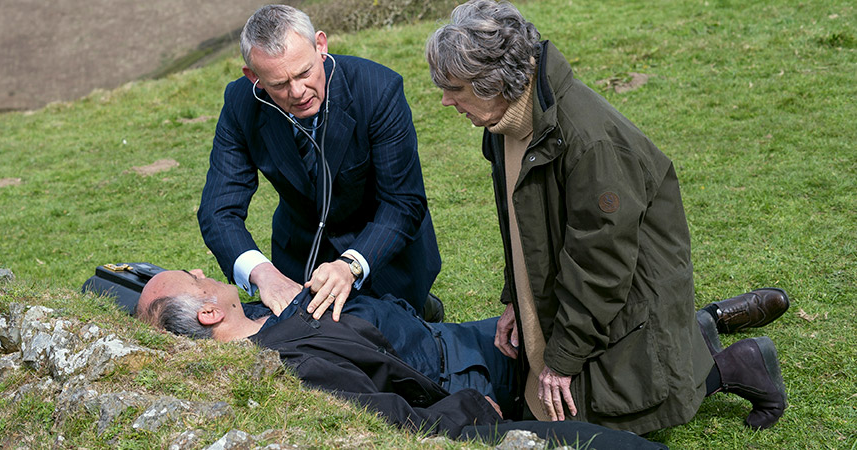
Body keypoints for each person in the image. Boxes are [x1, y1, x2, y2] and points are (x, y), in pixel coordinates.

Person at [424, 0, 790, 434]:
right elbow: (522, 230)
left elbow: (601, 265)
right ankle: (708, 332)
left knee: (606, 413)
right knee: (553, 411)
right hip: (583, 293)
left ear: (494, 82)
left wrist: (561, 360)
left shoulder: (590, 143)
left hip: (627, 294)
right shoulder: (506, 126)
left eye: (455, 88)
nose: (446, 101)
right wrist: (513, 300)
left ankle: (740, 366)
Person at [134, 269, 668, 449]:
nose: (206, 273)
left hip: (449, 344)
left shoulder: (271, 325)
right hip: (461, 398)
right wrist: (470, 408)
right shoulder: (283, 366)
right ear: (207, 315)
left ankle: (714, 331)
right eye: (196, 280)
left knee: (591, 346)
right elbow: (387, 417)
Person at [197, 4, 441, 323]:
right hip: (297, 259)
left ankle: (423, 309)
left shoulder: (379, 90)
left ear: (321, 46)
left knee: (397, 337)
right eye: (279, 84)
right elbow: (218, 211)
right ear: (254, 77)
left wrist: (351, 265)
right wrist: (263, 273)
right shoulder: (240, 103)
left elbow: (403, 202)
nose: (297, 92)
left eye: (304, 73)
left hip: (385, 257)